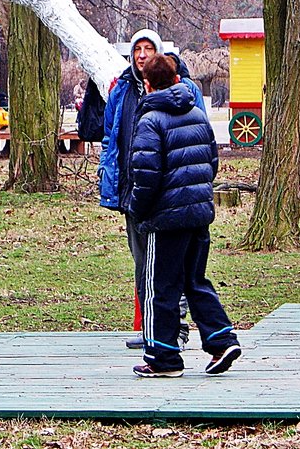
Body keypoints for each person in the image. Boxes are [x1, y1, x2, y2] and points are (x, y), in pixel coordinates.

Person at [127, 54, 241, 378]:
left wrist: (138, 209)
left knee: (158, 287)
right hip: (199, 214)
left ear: (147, 84)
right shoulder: (197, 114)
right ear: (177, 79)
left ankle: (163, 358)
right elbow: (212, 162)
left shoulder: (150, 120)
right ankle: (221, 340)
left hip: (165, 220)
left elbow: (145, 175)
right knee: (195, 281)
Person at [99, 29, 206, 350]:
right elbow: (110, 136)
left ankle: (177, 329)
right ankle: (151, 329)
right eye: (137, 50)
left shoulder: (181, 91)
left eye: (148, 49)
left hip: (166, 194)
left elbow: (198, 142)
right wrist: (112, 180)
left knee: (171, 265)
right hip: (133, 190)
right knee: (142, 263)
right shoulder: (123, 90)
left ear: (159, 54)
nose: (142, 54)